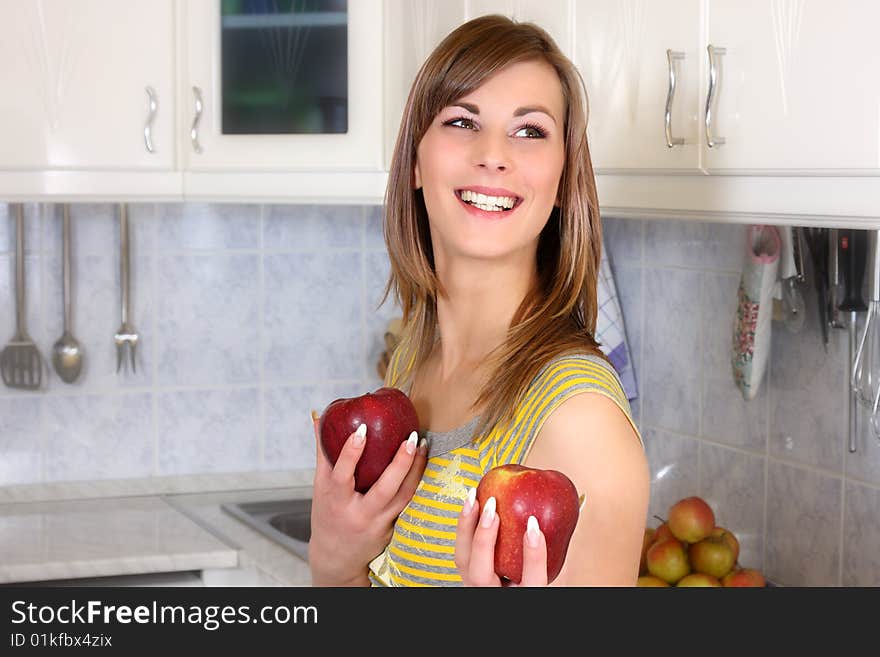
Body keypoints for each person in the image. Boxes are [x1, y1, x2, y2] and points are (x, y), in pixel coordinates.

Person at [308, 14, 649, 587]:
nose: (493, 154)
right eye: (462, 121)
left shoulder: (580, 420)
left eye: (530, 131)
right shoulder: (414, 365)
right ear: (416, 162)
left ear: (565, 180)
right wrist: (336, 562)